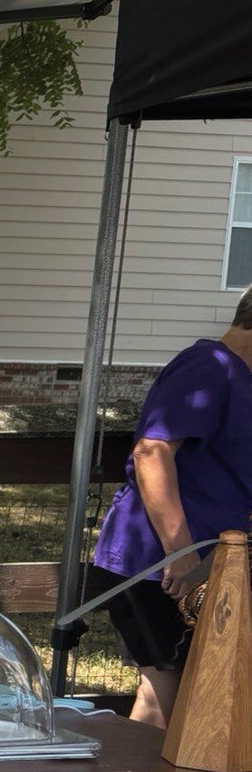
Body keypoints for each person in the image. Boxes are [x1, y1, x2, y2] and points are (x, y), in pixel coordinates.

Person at [90, 285, 252, 727]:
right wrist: (180, 550)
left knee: (199, 695)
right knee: (167, 697)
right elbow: (152, 452)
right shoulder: (209, 367)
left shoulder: (240, 376)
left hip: (214, 560)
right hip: (163, 561)